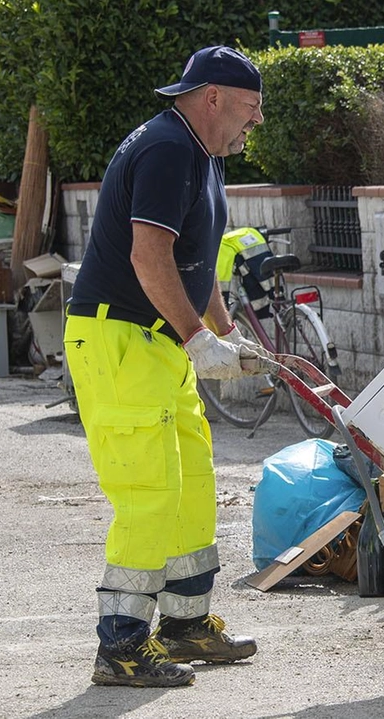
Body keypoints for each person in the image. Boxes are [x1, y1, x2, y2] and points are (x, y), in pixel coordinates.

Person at [65, 45, 267, 688]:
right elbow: (149, 256)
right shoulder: (167, 149)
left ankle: (183, 625)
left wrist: (227, 335)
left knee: (191, 486)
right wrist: (196, 337)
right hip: (119, 340)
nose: (254, 124)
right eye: (250, 110)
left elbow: (195, 261)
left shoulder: (200, 155)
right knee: (150, 494)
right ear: (212, 98)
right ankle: (120, 646)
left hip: (155, 344)